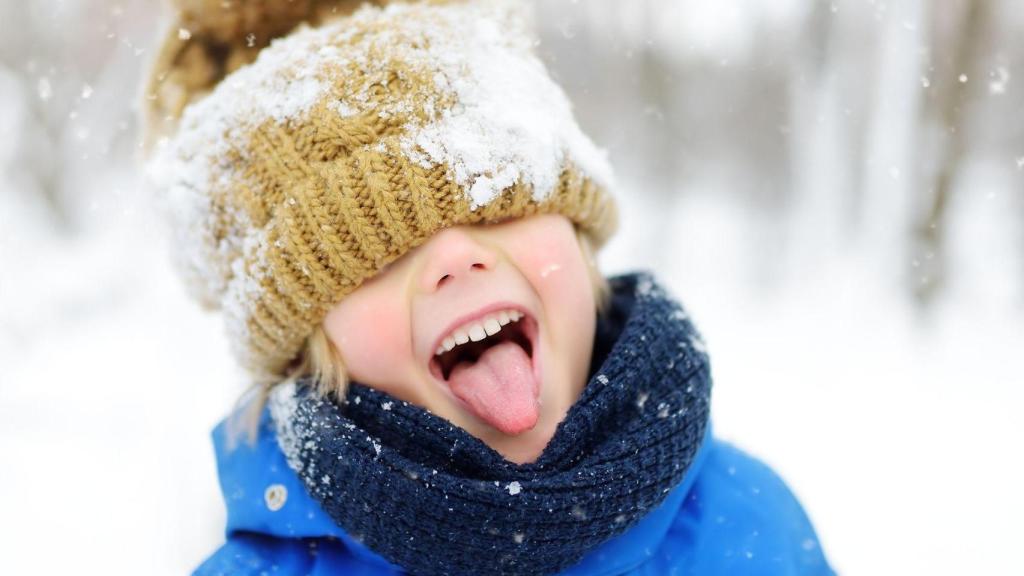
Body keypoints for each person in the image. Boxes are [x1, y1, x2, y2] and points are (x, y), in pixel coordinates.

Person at [142, 1, 834, 574]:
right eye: (377, 256)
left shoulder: (749, 524)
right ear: (306, 348)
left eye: (496, 203)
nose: (455, 258)